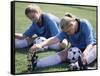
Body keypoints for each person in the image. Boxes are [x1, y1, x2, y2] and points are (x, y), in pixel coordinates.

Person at [29, 13, 97, 70]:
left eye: (68, 31)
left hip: (91, 47)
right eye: (66, 32)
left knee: (96, 49)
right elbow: (55, 39)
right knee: (62, 54)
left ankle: (76, 66)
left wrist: (84, 54)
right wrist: (41, 45)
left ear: (72, 25)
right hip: (76, 48)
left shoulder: (84, 24)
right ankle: (37, 63)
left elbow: (90, 43)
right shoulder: (66, 29)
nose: (67, 34)